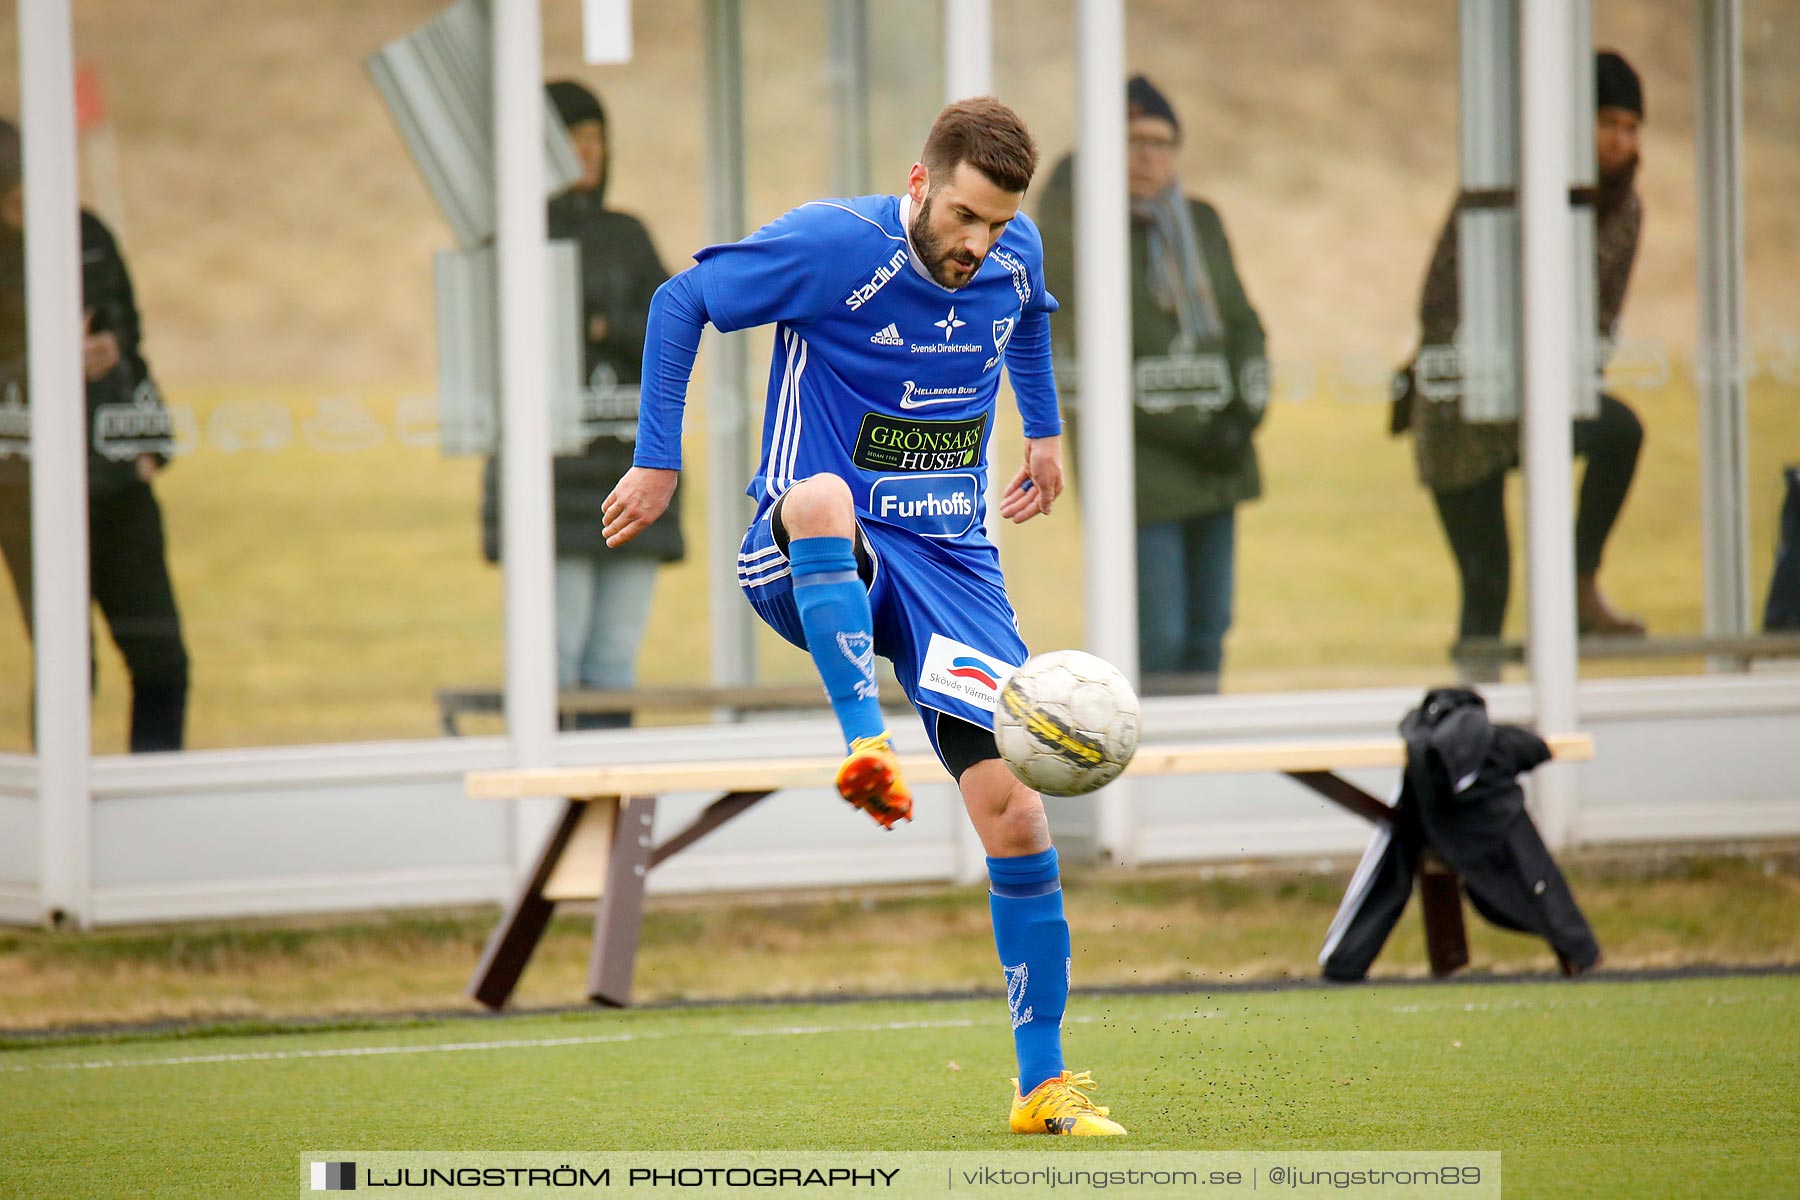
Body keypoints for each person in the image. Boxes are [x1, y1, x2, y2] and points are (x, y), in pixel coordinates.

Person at [602, 98, 1127, 1136]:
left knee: (1018, 814)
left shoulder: (1010, 252)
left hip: (951, 566)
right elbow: (681, 300)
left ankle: (1043, 1089)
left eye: (997, 222)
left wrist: (1046, 434)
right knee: (824, 498)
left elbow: (1032, 314)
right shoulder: (838, 245)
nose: (979, 242)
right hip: (804, 550)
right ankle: (863, 745)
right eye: (966, 217)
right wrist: (657, 456)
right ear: (922, 183)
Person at [1405, 51, 1648, 663]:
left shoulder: (1626, 210)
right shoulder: (1500, 186)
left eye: (1630, 127)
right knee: (1488, 584)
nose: (1620, 140)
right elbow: (1438, 300)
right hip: (1462, 410)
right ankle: (1463, 730)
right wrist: (1494, 371)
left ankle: (1578, 584)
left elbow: (1603, 321)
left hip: (1548, 397)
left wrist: (1564, 380)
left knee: (1620, 432)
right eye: (1607, 123)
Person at [1038, 76, 1268, 694]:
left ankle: (1197, 763)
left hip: (1216, 457)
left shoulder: (1200, 222)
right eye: (1132, 141)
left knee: (1209, 627)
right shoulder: (1076, 230)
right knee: (1157, 636)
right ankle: (1147, 771)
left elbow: (1244, 323)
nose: (1148, 157)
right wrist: (1189, 428)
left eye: (1162, 143)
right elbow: (1075, 351)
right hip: (1138, 464)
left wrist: (1244, 415)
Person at [481, 81, 680, 727]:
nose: (587, 152)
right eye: (571, 138)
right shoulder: (510, 238)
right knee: (555, 654)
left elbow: (670, 331)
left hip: (631, 465)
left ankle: (609, 801)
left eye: (596, 138)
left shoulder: (627, 234)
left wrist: (605, 325)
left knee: (615, 654)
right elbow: (503, 343)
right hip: (553, 474)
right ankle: (554, 802)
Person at [0, 119, 189, 752]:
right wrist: (43, 362)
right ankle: (59, 815)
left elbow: (132, 341)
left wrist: (147, 444)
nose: (33, 210)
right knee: (67, 665)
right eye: (17, 200)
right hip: (26, 485)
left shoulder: (89, 236)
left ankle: (156, 800)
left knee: (162, 660)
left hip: (114, 478)